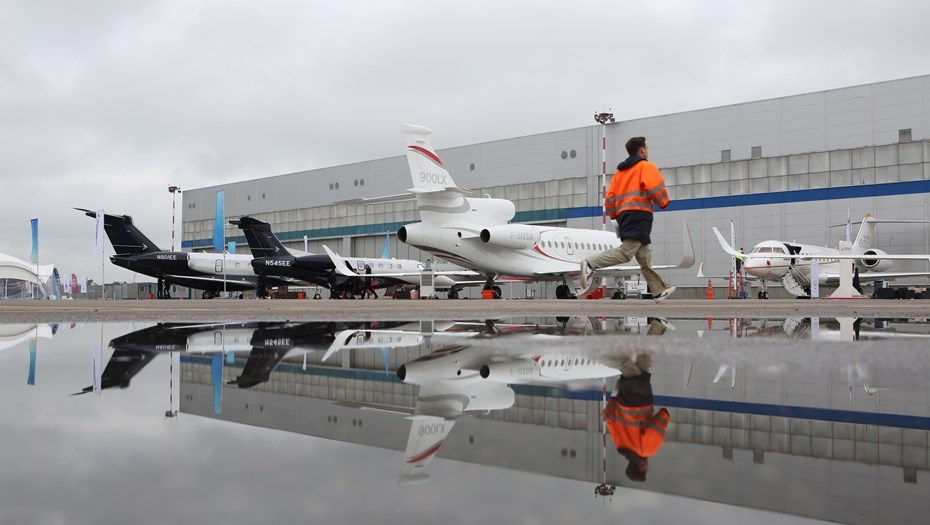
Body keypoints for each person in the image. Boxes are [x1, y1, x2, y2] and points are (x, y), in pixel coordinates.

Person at [580, 137, 676, 303]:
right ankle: (589, 264)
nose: (647, 150)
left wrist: (616, 217)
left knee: (644, 256)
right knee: (626, 253)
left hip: (625, 217)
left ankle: (658, 291)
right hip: (640, 215)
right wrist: (663, 202)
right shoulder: (646, 166)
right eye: (647, 147)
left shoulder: (620, 173)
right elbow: (656, 187)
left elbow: (610, 199)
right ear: (642, 150)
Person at [604, 343, 670, 483]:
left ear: (641, 466)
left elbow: (662, 419)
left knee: (626, 365)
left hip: (641, 398)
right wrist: (615, 398)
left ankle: (590, 348)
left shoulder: (646, 450)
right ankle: (656, 329)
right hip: (624, 397)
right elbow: (609, 417)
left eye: (646, 469)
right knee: (642, 368)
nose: (647, 467)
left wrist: (664, 415)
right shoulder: (619, 444)